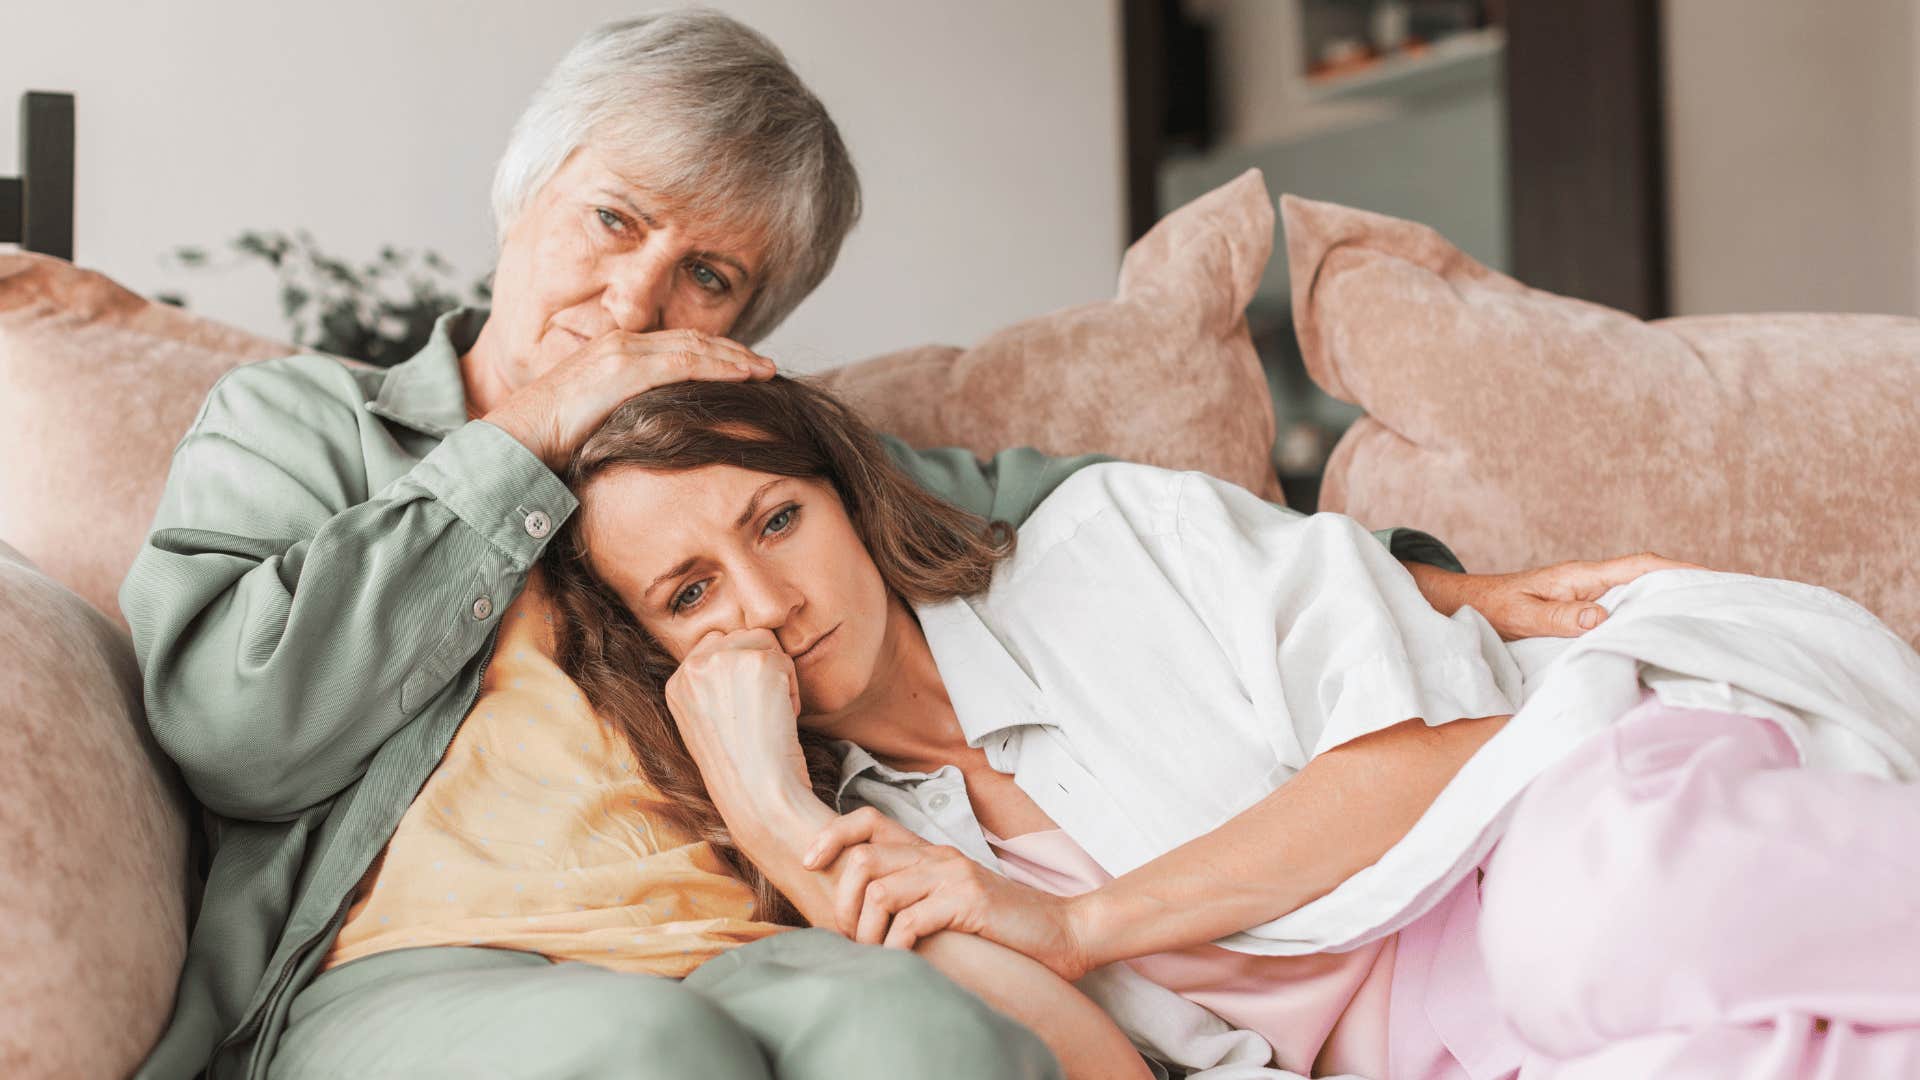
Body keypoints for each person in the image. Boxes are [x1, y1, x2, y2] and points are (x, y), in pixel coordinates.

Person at [123, 11, 1674, 1080]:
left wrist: (1437, 581)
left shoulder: (740, 451)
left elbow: (1028, 500)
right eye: (613, 222)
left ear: (755, 325)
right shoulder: (307, 428)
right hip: (400, 972)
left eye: (710, 275)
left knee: (929, 1037)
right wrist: (526, 438)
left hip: (737, 938)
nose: (641, 300)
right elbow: (232, 733)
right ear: (527, 196)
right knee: (635, 1056)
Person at [542, 376, 1751, 1078]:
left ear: (846, 497)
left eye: (775, 521)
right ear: (658, 657)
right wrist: (772, 812)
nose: (768, 604)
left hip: (1569, 846)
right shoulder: (871, 849)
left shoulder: (1113, 540)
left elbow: (1439, 742)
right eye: (689, 595)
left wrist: (1080, 924)